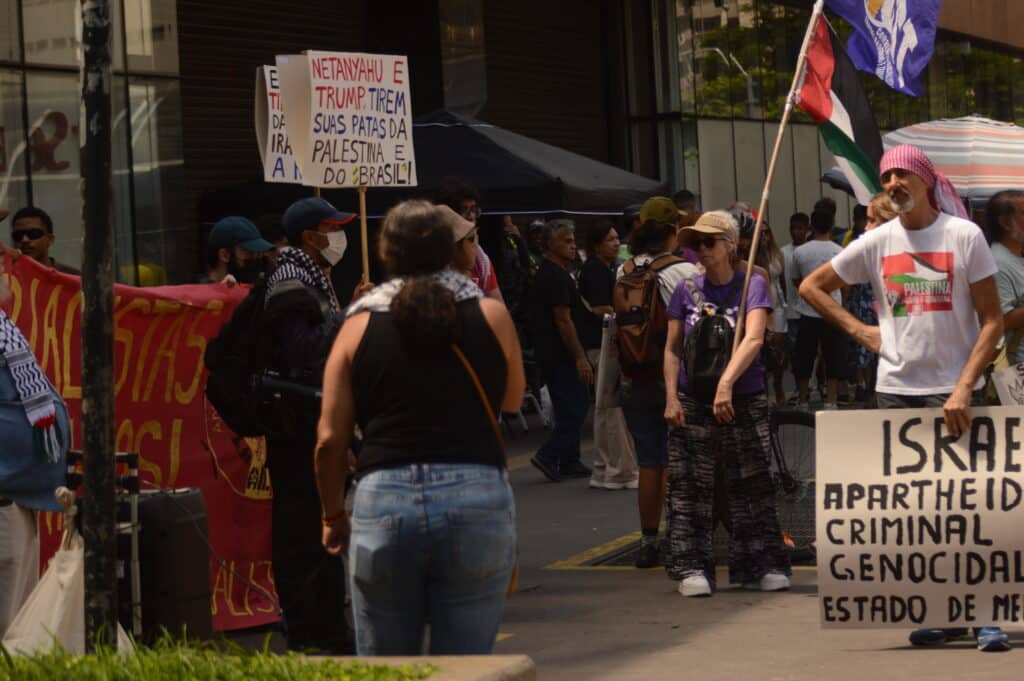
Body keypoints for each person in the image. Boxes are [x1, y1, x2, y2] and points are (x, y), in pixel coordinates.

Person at [799, 144, 1006, 652]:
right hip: (895, 392)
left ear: (926, 181)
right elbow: (811, 287)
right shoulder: (876, 241)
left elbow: (992, 321)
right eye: (886, 177)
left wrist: (965, 385)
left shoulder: (964, 236)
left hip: (954, 391)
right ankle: (945, 613)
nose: (892, 184)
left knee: (970, 509)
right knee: (921, 515)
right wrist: (860, 331)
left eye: (902, 175)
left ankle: (985, 614)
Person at [315, 200, 524, 655]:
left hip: (383, 498)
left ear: (386, 254)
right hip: (476, 496)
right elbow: (512, 401)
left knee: (388, 669)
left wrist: (332, 516)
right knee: (466, 667)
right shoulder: (492, 316)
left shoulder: (357, 326)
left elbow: (329, 440)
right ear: (451, 250)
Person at [663, 210, 791, 596]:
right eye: (696, 243)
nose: (701, 250)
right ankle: (691, 567)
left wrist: (726, 384)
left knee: (751, 480)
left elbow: (754, 338)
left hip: (743, 396)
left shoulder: (752, 283)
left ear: (731, 245)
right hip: (693, 398)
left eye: (709, 242)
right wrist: (670, 396)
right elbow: (672, 348)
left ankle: (761, 563)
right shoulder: (686, 289)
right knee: (689, 485)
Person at [260, 196, 357, 654]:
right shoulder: (290, 281)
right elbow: (302, 352)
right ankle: (310, 632)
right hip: (296, 424)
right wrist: (348, 316)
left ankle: (328, 628)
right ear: (309, 237)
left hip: (313, 419)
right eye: (331, 229)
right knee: (304, 531)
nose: (338, 237)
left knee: (322, 525)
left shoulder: (314, 277)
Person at [616, 199, 698, 568]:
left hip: (635, 376)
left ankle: (648, 542)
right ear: (671, 232)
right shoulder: (683, 271)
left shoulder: (623, 270)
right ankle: (682, 536)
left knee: (650, 462)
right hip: (675, 377)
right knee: (682, 461)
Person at [0, 257, 70, 636]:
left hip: (18, 500)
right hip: (4, 504)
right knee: (8, 628)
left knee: (20, 624)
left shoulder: (2, 325)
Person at [528, 219, 593, 482]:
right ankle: (548, 454)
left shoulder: (557, 273)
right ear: (549, 245)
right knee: (576, 407)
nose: (572, 245)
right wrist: (579, 357)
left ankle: (569, 460)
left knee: (569, 406)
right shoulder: (554, 275)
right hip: (560, 354)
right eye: (566, 241)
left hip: (554, 353)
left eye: (573, 240)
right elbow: (563, 320)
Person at [578, 220, 638, 491]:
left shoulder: (601, 268)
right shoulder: (595, 270)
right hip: (603, 344)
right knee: (613, 409)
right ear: (596, 245)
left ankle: (604, 468)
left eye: (617, 238)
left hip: (599, 343)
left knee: (605, 409)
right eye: (610, 239)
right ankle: (620, 471)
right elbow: (600, 308)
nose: (616, 243)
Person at [791, 208, 847, 409]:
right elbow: (844, 282)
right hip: (832, 311)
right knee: (833, 355)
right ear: (832, 226)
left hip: (808, 310)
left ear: (811, 227)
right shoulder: (839, 252)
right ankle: (831, 400)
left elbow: (796, 280)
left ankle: (803, 399)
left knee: (804, 356)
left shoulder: (800, 252)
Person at [846, 193, 898, 405]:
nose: (866, 227)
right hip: (865, 304)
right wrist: (856, 328)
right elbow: (813, 286)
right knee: (867, 350)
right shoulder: (861, 247)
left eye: (871, 220)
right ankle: (868, 388)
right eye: (865, 220)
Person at [437, 177, 504, 301]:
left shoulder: (481, 261)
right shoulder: (433, 267)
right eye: (465, 210)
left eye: (474, 210)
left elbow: (499, 306)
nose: (471, 216)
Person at [984, 190, 1024, 366]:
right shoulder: (997, 262)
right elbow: (1001, 319)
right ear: (1005, 223)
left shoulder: (1016, 256)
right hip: (1016, 367)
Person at [780, 212, 809, 401]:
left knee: (810, 351)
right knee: (794, 352)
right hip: (791, 309)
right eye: (793, 228)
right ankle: (800, 388)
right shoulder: (783, 252)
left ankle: (813, 384)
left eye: (800, 228)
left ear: (807, 229)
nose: (796, 232)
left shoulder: (810, 250)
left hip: (809, 310)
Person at [200, 216, 275, 284]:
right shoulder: (198, 293)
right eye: (249, 252)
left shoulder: (257, 289)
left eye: (258, 254)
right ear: (224, 255)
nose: (255, 259)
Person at [8, 207, 78, 275]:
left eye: (33, 233)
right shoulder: (7, 277)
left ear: (50, 239)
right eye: (18, 235)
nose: (24, 240)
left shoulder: (72, 277)